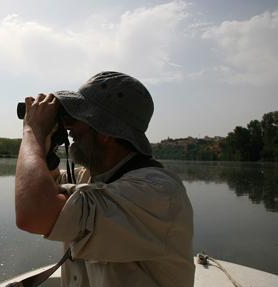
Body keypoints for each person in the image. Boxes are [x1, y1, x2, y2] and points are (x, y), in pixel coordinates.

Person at [14, 71, 194, 286]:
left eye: (78, 118)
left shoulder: (157, 192)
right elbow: (43, 187)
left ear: (105, 130)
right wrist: (46, 147)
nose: (70, 130)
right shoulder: (95, 176)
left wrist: (32, 131)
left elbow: (34, 213)